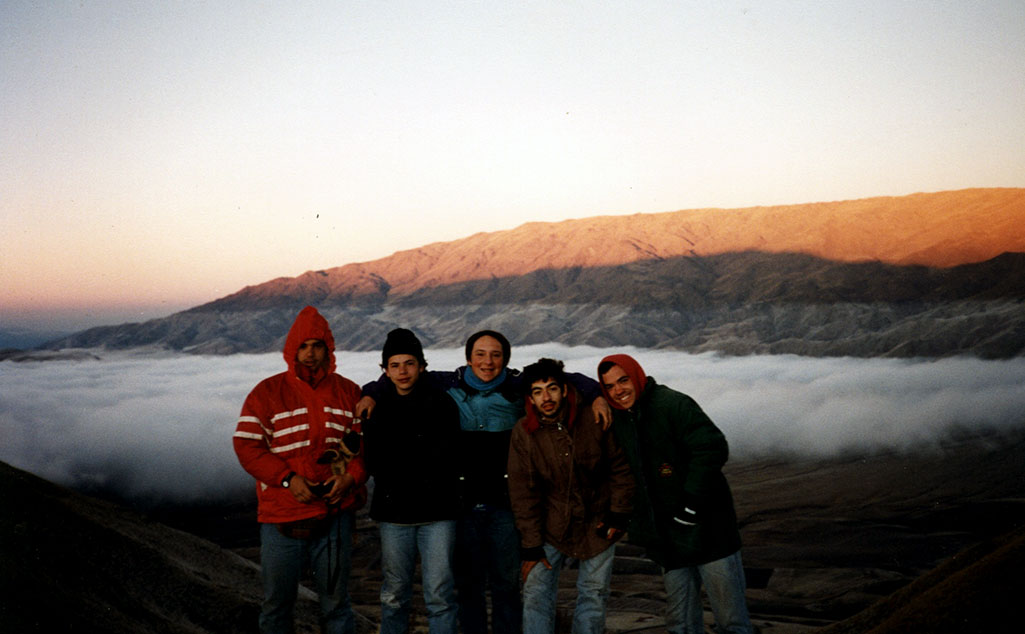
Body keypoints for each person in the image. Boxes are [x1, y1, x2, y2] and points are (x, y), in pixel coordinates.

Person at [357, 330, 611, 634]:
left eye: (495, 355)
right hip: (461, 505)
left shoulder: (517, 385)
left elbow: (563, 379)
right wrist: (370, 393)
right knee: (468, 587)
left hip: (505, 505)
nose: (487, 362)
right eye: (480, 354)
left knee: (506, 585)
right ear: (468, 358)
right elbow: (399, 374)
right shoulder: (447, 383)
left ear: (505, 359)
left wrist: (597, 396)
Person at [233, 306, 367, 634]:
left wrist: (351, 477)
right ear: (291, 349)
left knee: (336, 604)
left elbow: (363, 446)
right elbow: (248, 446)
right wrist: (287, 479)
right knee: (277, 605)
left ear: (328, 349)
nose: (310, 353)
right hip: (282, 516)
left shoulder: (348, 392)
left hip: (334, 514)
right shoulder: (266, 393)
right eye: (303, 346)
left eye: (317, 345)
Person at [597, 354, 753, 634]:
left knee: (731, 621)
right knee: (680, 623)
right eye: (609, 387)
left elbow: (712, 447)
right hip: (668, 538)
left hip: (709, 530)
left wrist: (692, 504)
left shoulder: (672, 404)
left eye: (623, 380)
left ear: (637, 376)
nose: (618, 391)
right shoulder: (619, 418)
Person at [507, 358, 634, 634]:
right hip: (550, 526)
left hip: (599, 522)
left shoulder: (593, 418)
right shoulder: (524, 433)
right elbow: (522, 493)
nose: (546, 398)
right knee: (536, 593)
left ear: (565, 390)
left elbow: (620, 468)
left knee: (594, 594)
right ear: (530, 398)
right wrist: (531, 544)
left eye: (552, 389)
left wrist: (619, 514)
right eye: (538, 392)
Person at [363, 328, 462, 634]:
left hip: (438, 513)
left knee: (440, 594)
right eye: (395, 365)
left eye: (409, 363)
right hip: (395, 515)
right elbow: (372, 459)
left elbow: (451, 453)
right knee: (394, 593)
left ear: (421, 366)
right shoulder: (376, 406)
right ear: (385, 370)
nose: (403, 371)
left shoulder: (442, 402)